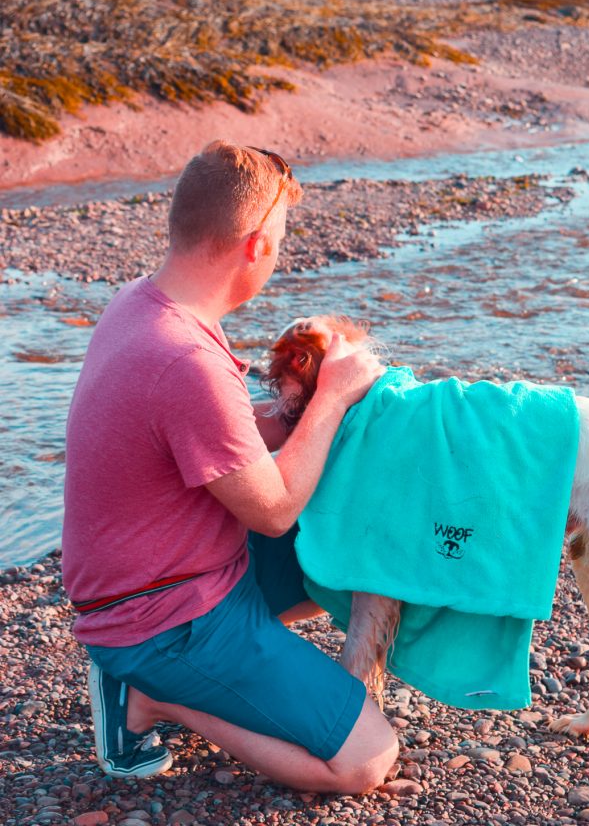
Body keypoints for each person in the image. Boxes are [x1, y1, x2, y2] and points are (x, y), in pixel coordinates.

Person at [62, 140, 398, 793]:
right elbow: (272, 512)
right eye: (280, 237)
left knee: (356, 539)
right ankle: (150, 699)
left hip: (159, 576)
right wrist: (330, 398)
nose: (278, 252)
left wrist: (296, 411)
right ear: (254, 245)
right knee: (364, 761)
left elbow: (212, 437)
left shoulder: (144, 302)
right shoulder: (186, 361)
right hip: (163, 616)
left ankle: (154, 672)